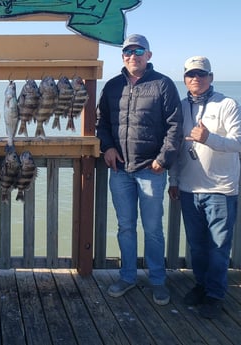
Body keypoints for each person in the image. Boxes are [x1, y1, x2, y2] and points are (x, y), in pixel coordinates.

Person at [96, 34, 183, 305]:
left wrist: (163, 159)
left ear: (149, 55)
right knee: (125, 227)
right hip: (120, 170)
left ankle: (157, 280)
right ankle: (128, 276)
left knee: (154, 228)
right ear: (122, 57)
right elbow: (102, 123)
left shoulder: (163, 85)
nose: (132, 56)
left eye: (138, 51)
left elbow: (175, 126)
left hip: (151, 170)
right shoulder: (111, 86)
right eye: (127, 52)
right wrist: (107, 147)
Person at [168, 56, 241, 319]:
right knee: (197, 246)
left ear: (211, 77)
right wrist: (174, 180)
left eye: (201, 74)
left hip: (221, 189)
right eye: (190, 75)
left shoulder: (228, 104)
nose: (195, 79)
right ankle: (201, 285)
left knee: (219, 247)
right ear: (185, 78)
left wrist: (210, 138)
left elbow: (238, 142)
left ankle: (215, 295)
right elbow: (176, 148)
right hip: (189, 189)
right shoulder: (180, 106)